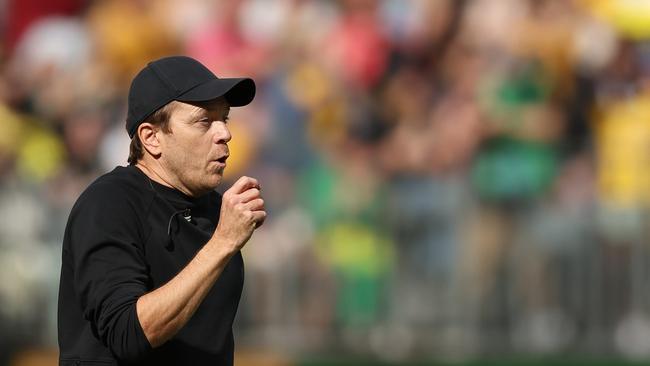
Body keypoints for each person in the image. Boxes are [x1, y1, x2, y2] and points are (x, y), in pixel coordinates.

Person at [57, 55, 266, 365]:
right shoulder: (108, 203)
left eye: (224, 118)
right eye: (204, 120)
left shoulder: (214, 209)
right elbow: (127, 333)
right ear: (151, 138)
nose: (224, 133)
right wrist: (222, 243)